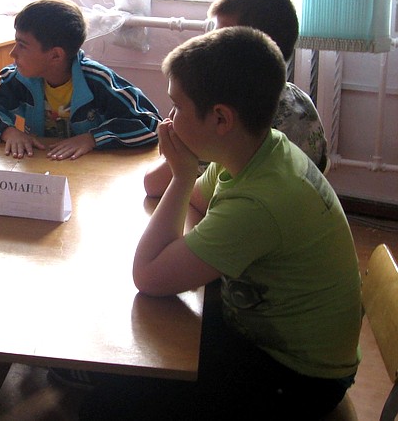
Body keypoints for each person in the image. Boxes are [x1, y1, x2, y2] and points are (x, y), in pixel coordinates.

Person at [82, 27, 361, 420]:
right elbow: (175, 194)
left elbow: (147, 275)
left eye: (176, 106)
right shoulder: (256, 150)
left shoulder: (259, 202)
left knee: (106, 402)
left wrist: (182, 173)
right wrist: (181, 169)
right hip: (261, 334)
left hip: (297, 378)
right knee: (120, 356)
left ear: (220, 118)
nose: (168, 118)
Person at [144, 0, 328, 197]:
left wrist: (175, 144)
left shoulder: (232, 124)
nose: (208, 44)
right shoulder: (300, 99)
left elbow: (154, 184)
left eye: (220, 38)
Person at [0, 0, 161, 160]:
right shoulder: (18, 79)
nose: (12, 53)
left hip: (89, 172)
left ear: (55, 55)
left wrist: (92, 139)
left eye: (22, 45)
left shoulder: (98, 82)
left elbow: (152, 125)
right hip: (43, 165)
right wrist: (8, 132)